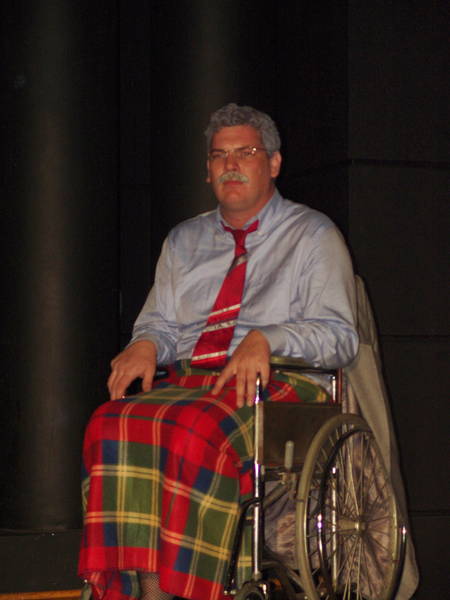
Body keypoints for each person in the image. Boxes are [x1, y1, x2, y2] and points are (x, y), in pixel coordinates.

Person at [78, 103, 358, 600]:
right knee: (110, 422)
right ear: (207, 170)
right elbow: (160, 323)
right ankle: (145, 589)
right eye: (218, 155)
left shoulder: (313, 234)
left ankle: (192, 589)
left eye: (245, 152)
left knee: (194, 429)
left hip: (281, 385)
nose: (231, 165)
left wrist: (267, 338)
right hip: (195, 381)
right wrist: (145, 343)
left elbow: (339, 337)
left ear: (273, 163)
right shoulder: (183, 240)